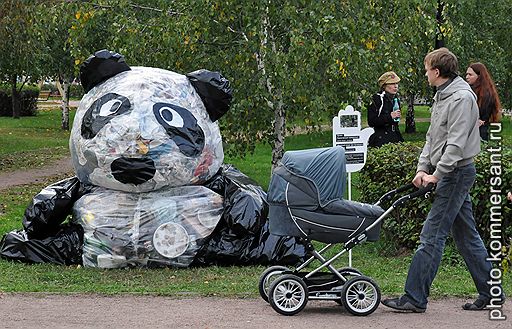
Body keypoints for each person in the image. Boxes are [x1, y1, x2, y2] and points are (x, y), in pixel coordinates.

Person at [382, 48, 505, 313]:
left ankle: (414, 298)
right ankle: (491, 292)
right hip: (450, 172)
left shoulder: (461, 98)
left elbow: (457, 144)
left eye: (427, 69)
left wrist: (437, 174)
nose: (425, 73)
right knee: (465, 235)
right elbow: (433, 138)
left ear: (437, 72)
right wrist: (421, 168)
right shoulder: (443, 95)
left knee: (431, 235)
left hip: (456, 173)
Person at [465, 62, 502, 141]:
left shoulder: (485, 94)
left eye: (470, 75)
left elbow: (482, 116)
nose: (467, 77)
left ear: (479, 76)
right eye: (467, 74)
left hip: (479, 133)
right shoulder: (471, 90)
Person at [367, 71, 404, 147]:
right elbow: (371, 121)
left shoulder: (395, 99)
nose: (395, 86)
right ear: (384, 86)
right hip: (380, 140)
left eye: (396, 83)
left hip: (395, 138)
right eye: (392, 83)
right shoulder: (376, 99)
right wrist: (389, 117)